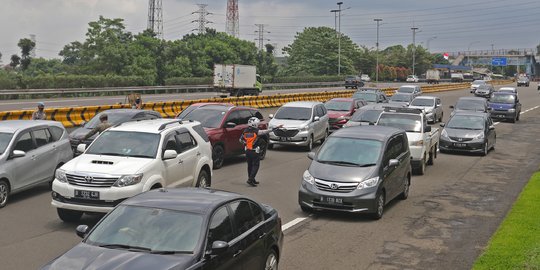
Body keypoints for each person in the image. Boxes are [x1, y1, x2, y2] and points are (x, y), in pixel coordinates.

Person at [239, 117, 282, 187]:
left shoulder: (245, 131)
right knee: (256, 165)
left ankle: (252, 179)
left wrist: (246, 144)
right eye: (257, 124)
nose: (258, 125)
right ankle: (250, 179)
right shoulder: (257, 131)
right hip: (254, 151)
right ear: (254, 124)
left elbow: (240, 140)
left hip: (247, 151)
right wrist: (276, 128)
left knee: (249, 165)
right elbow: (266, 131)